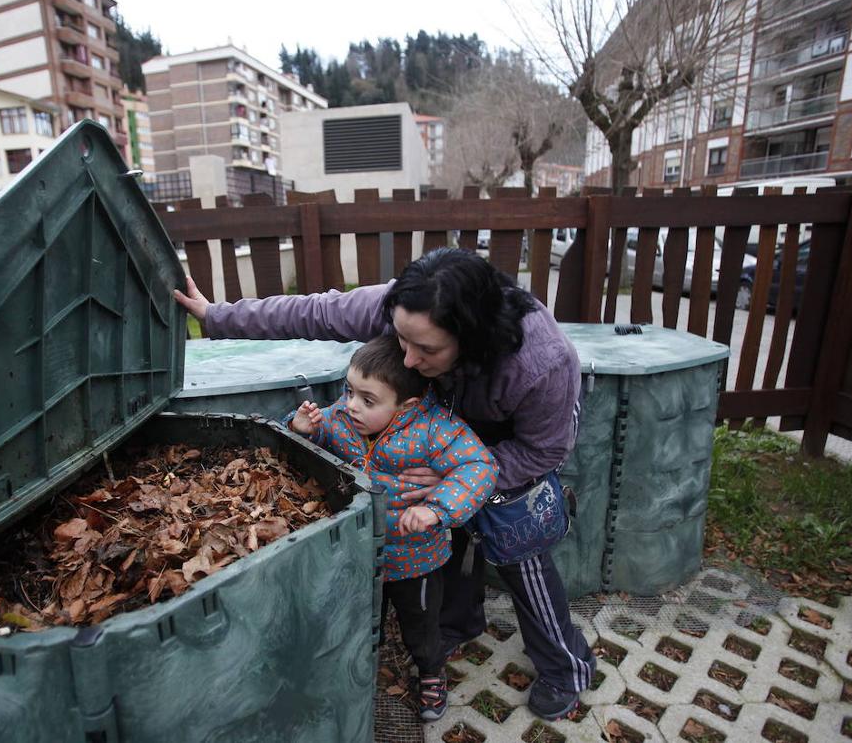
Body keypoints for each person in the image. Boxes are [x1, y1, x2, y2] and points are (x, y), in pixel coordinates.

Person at [174, 247, 596, 720]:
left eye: (427, 349)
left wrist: (459, 477)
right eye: (401, 340)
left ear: (471, 337)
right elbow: (313, 311)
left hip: (513, 437)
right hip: (443, 413)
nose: (409, 359)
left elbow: (546, 450)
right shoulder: (406, 308)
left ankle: (567, 666)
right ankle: (460, 621)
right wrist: (217, 316)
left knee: (518, 543)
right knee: (439, 523)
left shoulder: (542, 363)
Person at [286, 334, 497, 722]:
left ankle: (431, 673)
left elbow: (480, 467)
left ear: (407, 406)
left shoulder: (435, 429)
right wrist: (303, 428)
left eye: (367, 400)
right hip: (359, 552)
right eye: (349, 391)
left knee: (421, 625)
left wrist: (437, 509)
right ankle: (362, 664)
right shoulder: (342, 419)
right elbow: (318, 436)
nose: (350, 405)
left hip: (417, 560)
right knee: (362, 615)